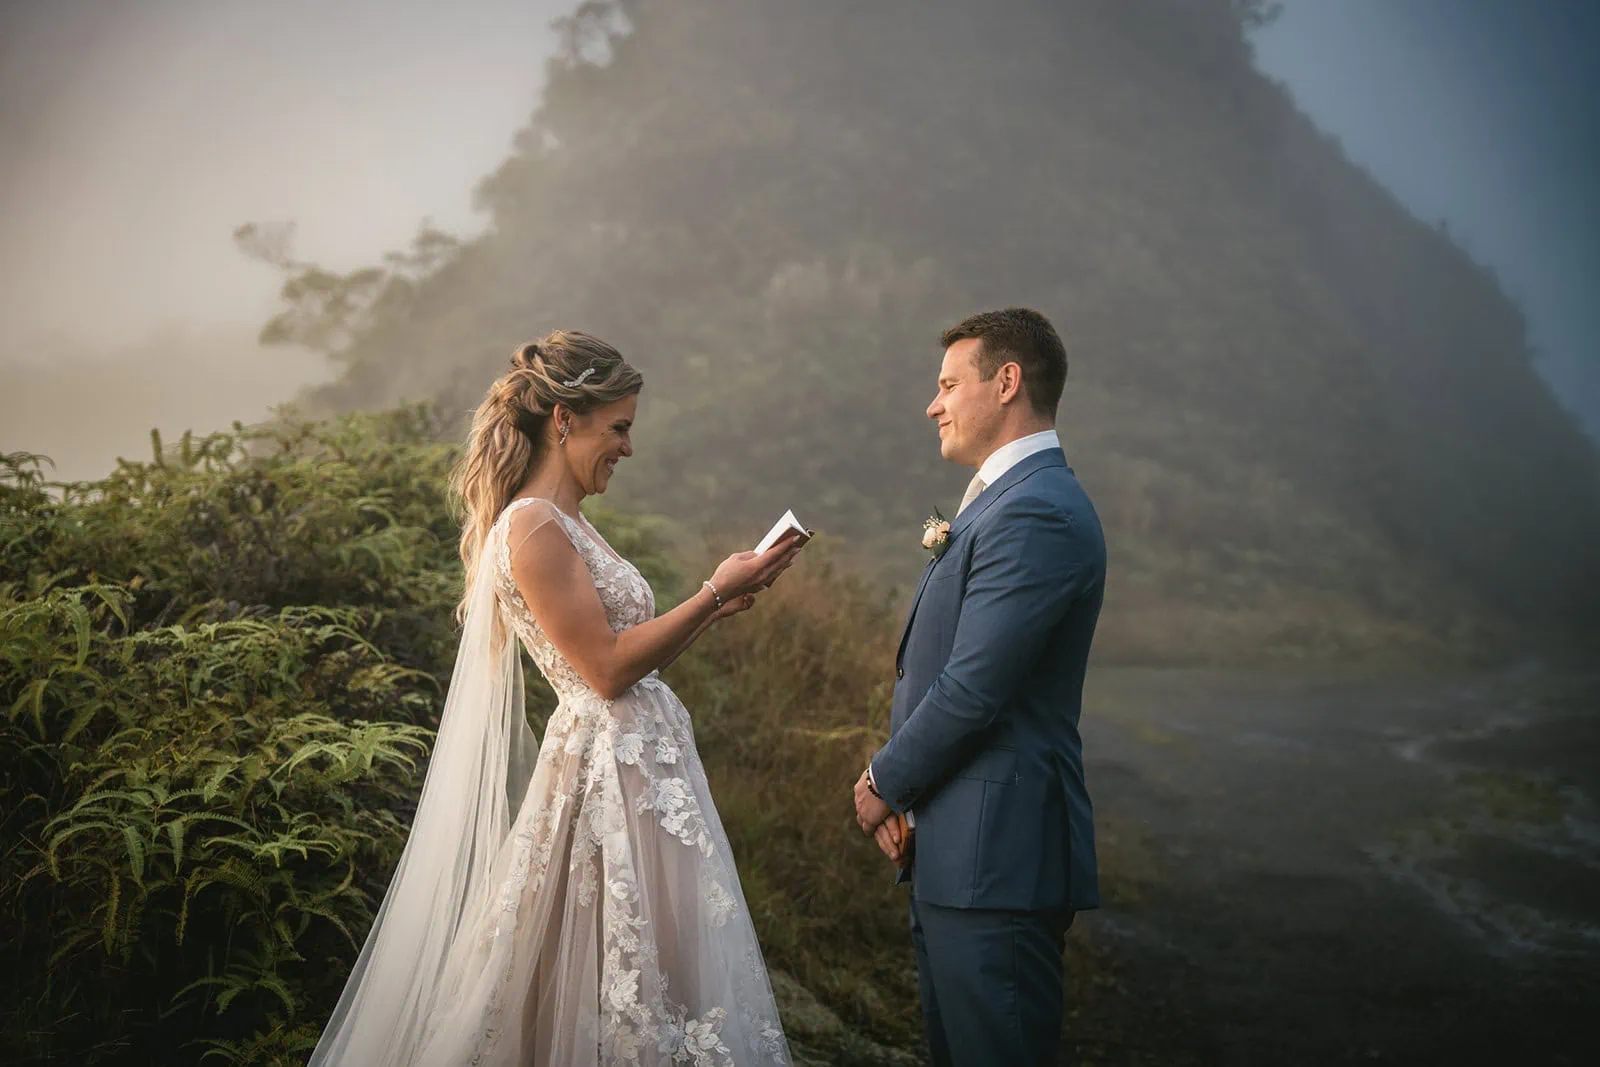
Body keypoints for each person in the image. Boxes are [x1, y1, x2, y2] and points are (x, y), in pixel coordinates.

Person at [310, 330, 799, 1066]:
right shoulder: (532, 526)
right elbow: (602, 672)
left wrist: (716, 608)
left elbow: (619, 659)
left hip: (640, 771)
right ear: (565, 420)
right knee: (596, 978)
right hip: (605, 779)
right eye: (620, 427)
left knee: (652, 972)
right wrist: (711, 589)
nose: (628, 448)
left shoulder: (567, 523)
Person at [852, 308, 1106, 1066]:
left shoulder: (1037, 511)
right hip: (959, 851)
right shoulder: (1003, 500)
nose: (934, 404)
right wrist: (913, 803)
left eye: (948, 384)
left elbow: (972, 688)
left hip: (1002, 862)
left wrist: (882, 781)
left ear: (1007, 382)